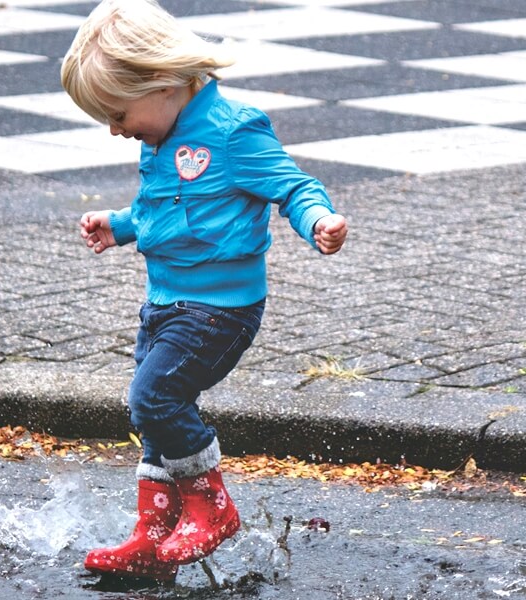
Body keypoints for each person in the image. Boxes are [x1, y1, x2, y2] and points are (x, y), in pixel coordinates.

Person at [60, 0, 348, 581]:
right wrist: (120, 225)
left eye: (118, 113)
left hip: (219, 310)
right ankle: (154, 535)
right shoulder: (159, 135)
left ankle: (211, 508)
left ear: (163, 82)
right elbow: (162, 207)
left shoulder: (233, 130)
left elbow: (294, 187)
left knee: (154, 398)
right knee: (154, 416)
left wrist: (319, 219)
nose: (116, 129)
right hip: (163, 305)